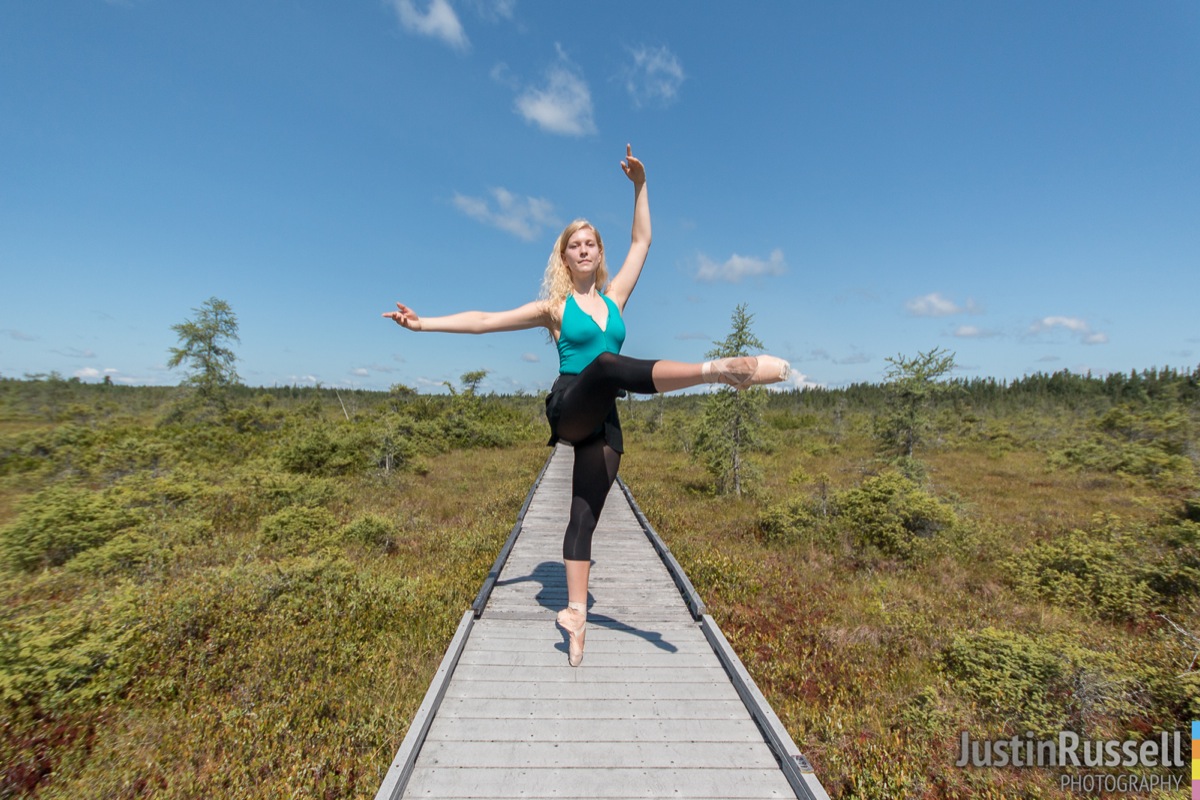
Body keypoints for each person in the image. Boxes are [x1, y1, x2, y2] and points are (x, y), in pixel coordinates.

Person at [383, 144, 790, 666]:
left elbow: (642, 240)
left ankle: (576, 614)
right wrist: (423, 324)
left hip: (605, 419)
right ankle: (718, 371)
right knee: (602, 366)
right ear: (563, 257)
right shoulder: (554, 309)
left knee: (583, 516)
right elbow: (485, 319)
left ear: (599, 253)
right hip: (570, 404)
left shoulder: (615, 297)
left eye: (590, 243)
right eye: (573, 245)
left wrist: (641, 185)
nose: (583, 250)